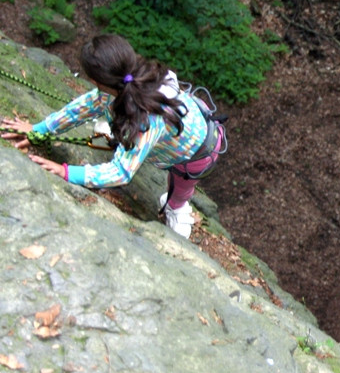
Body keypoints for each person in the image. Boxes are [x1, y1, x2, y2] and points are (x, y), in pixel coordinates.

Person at [1, 34, 225, 239]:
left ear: (99, 81)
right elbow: (83, 108)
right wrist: (39, 130)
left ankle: (178, 216)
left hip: (198, 152)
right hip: (188, 125)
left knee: (176, 196)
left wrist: (67, 172)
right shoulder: (128, 82)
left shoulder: (146, 120)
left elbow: (120, 172)